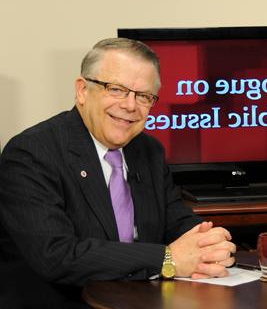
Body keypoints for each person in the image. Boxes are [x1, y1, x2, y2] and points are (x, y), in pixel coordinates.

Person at [0, 38, 236, 309]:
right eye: (116, 89)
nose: (130, 105)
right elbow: (56, 255)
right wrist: (168, 258)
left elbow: (176, 222)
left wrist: (209, 244)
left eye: (144, 96)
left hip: (142, 300)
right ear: (82, 91)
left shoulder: (148, 151)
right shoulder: (32, 152)